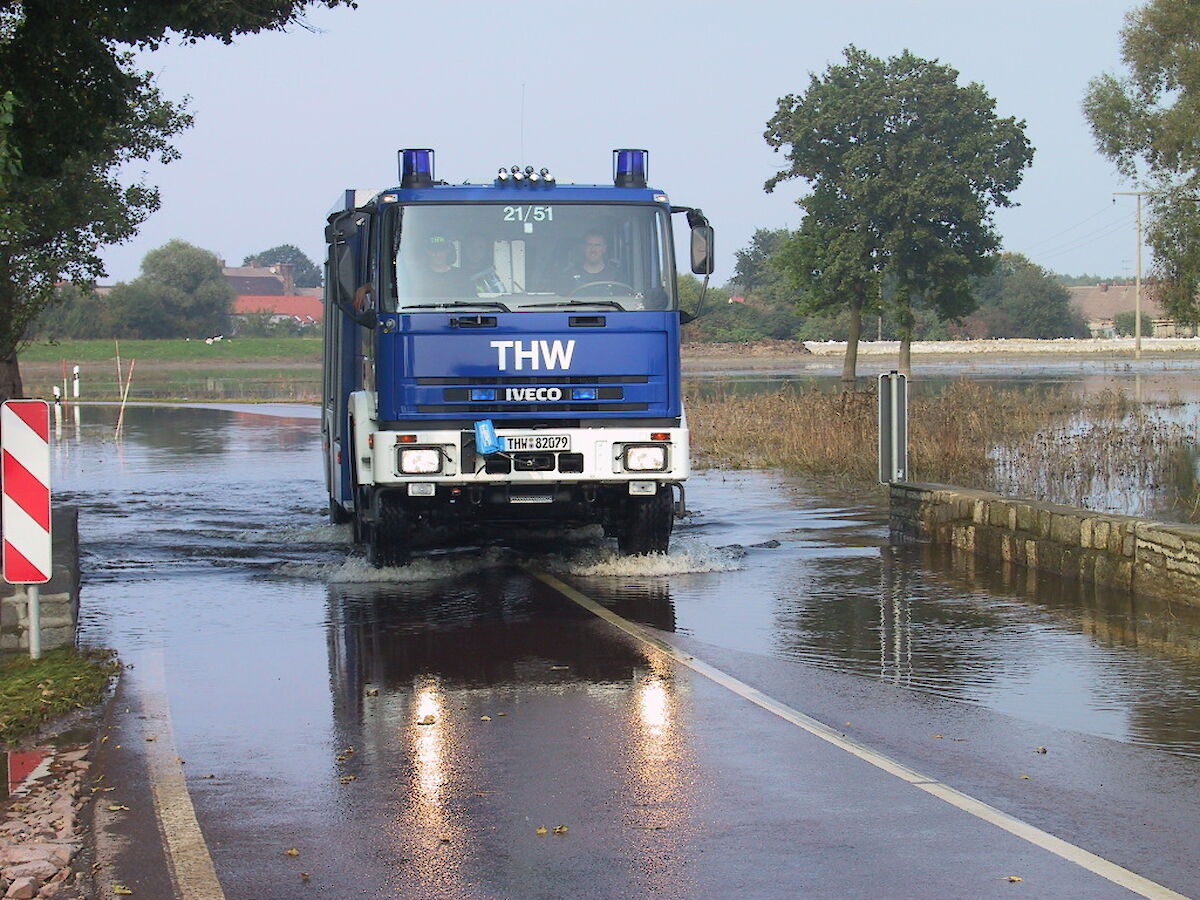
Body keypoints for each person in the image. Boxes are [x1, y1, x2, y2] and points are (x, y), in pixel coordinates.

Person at [561, 232, 628, 294]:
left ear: (604, 248)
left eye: (597, 245)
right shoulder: (569, 275)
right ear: (584, 248)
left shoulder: (616, 276)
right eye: (589, 245)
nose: (593, 249)